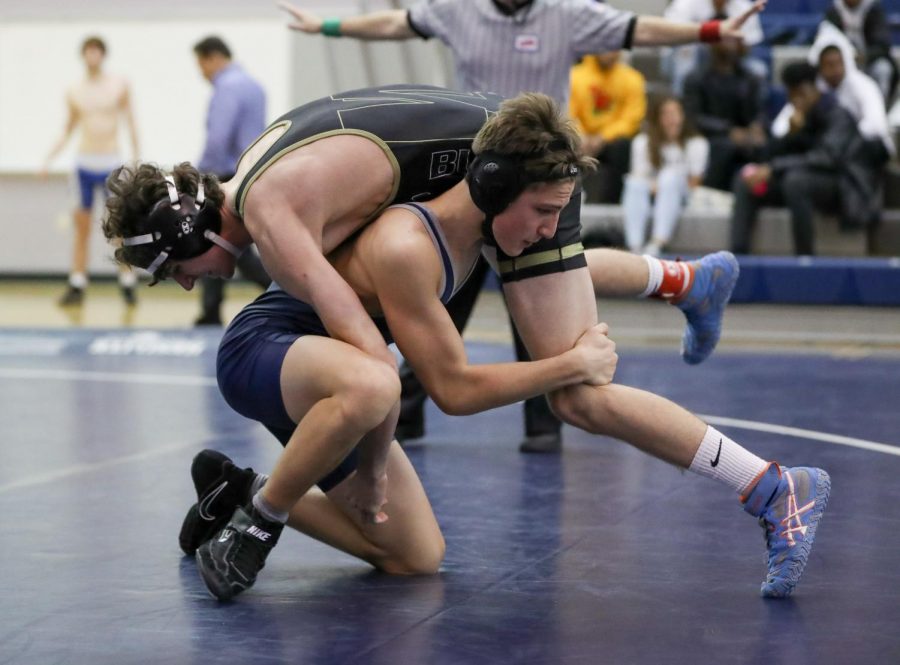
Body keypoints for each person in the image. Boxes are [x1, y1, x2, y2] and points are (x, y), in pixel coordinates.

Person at [103, 87, 829, 602]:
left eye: (176, 271)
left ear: (188, 234)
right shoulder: (380, 228)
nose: (188, 286)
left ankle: (248, 496)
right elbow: (389, 372)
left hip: (496, 161)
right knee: (557, 381)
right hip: (305, 349)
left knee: (418, 555)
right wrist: (378, 469)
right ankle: (260, 523)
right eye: (547, 212)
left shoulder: (280, 211)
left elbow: (387, 349)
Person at [280, 0, 768, 454]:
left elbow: (639, 29)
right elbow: (394, 23)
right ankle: (683, 281)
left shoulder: (566, 13)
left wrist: (711, 31)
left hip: (543, 177)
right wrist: (326, 26)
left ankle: (533, 420)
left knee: (542, 324)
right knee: (449, 294)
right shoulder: (458, 10)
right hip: (474, 175)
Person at [731, 61, 883, 255]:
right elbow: (770, 157)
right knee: (746, 180)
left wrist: (774, 168)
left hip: (842, 185)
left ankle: (804, 260)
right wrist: (791, 134)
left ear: (809, 90)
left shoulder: (838, 114)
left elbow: (827, 158)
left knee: (796, 182)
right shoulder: (798, 117)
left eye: (798, 94)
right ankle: (737, 258)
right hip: (799, 180)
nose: (795, 100)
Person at [42, 35, 140, 307]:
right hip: (85, 163)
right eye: (88, 52)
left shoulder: (118, 85)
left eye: (96, 51)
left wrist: (135, 159)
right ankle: (77, 282)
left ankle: (127, 282)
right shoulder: (75, 90)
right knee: (82, 227)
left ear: (102, 55)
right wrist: (49, 158)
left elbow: (131, 122)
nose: (92, 56)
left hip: (110, 163)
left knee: (118, 227)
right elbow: (68, 127)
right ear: (83, 55)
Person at [192, 36, 272, 326]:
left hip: (225, 176)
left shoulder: (226, 88)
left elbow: (218, 138)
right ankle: (211, 310)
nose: (201, 71)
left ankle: (281, 291)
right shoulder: (254, 86)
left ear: (213, 57)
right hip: (253, 172)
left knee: (219, 242)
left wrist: (200, 175)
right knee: (220, 241)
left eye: (201, 64)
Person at [771, 23, 895, 163]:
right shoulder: (816, 89)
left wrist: (841, 138)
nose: (836, 70)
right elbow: (780, 127)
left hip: (865, 148)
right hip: (832, 150)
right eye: (829, 65)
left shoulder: (864, 86)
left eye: (839, 63)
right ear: (820, 67)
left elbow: (875, 125)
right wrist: (791, 129)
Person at [622, 95, 709, 256]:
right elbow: (638, 175)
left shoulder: (697, 143)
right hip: (650, 191)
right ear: (657, 118)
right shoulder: (642, 142)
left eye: (676, 113)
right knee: (633, 183)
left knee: (670, 177)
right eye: (666, 114)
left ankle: (657, 242)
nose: (672, 119)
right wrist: (656, 186)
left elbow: (694, 182)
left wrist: (664, 183)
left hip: (682, 194)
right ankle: (634, 245)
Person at [682, 32, 768, 192]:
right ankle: (713, 194)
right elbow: (692, 117)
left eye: (734, 40)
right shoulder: (695, 77)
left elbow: (759, 111)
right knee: (725, 147)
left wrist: (757, 125)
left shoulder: (750, 78)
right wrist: (728, 130)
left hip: (744, 134)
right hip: (710, 135)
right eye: (726, 39)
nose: (731, 45)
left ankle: (758, 195)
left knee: (763, 146)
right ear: (712, 44)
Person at [569, 51, 646, 204]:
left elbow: (632, 118)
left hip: (610, 141)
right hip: (581, 138)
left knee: (623, 147)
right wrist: (581, 135)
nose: (610, 54)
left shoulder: (632, 78)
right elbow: (568, 111)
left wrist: (604, 137)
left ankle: (612, 203)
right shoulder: (575, 76)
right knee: (563, 141)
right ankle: (567, 198)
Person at [823, 0, 899, 104]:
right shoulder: (835, 9)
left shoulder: (873, 8)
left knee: (882, 68)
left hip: (869, 62)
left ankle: (880, 106)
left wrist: (864, 56)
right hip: (844, 63)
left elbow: (883, 46)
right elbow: (827, 39)